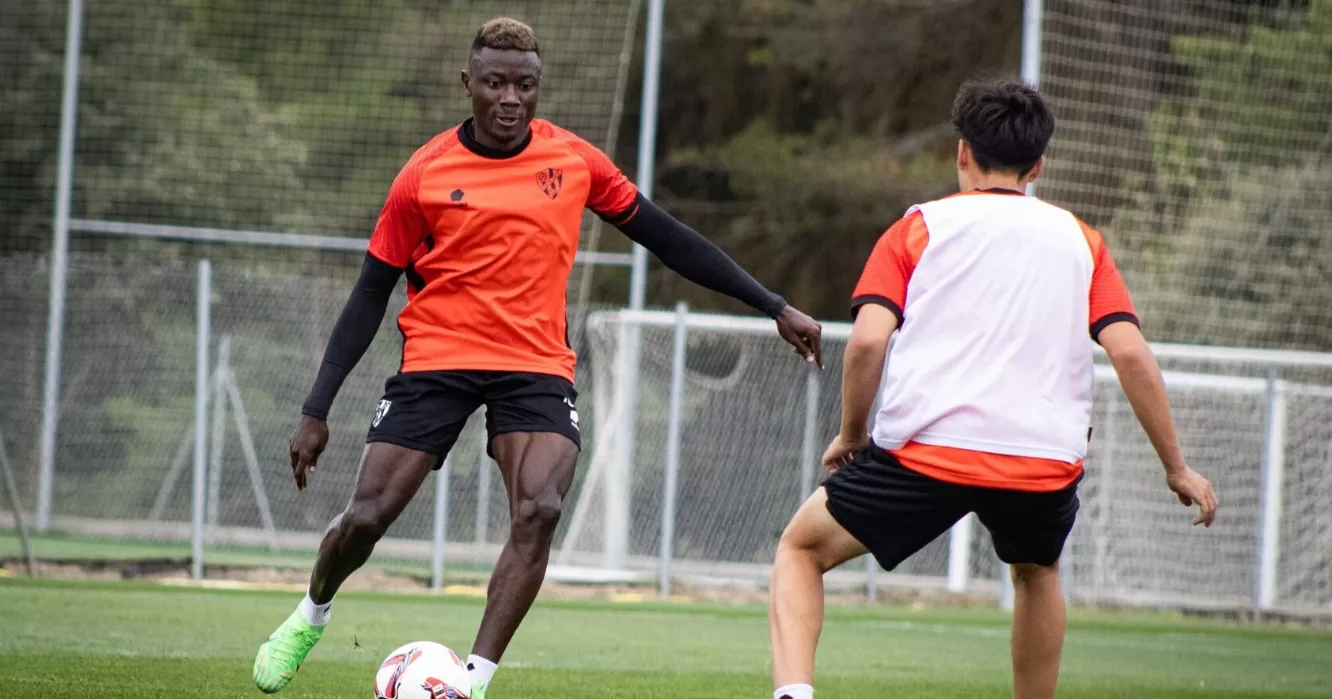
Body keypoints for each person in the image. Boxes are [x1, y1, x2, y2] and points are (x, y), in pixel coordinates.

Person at [252, 17, 824, 698]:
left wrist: (772, 304)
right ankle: (311, 613)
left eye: (524, 86)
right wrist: (316, 409)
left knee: (541, 507)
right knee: (368, 516)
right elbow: (370, 292)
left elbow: (669, 238)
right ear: (468, 83)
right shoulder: (425, 173)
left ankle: (471, 682)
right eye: (495, 84)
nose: (510, 99)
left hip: (534, 364)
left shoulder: (573, 161)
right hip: (437, 358)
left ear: (538, 86)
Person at [766, 77, 1218, 699]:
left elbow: (868, 342)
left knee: (800, 550)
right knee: (1037, 571)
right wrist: (1177, 467)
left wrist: (851, 434)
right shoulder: (1083, 242)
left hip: (927, 453)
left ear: (961, 152)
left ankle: (794, 694)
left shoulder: (918, 230)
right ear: (1038, 165)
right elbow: (1131, 353)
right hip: (1043, 460)